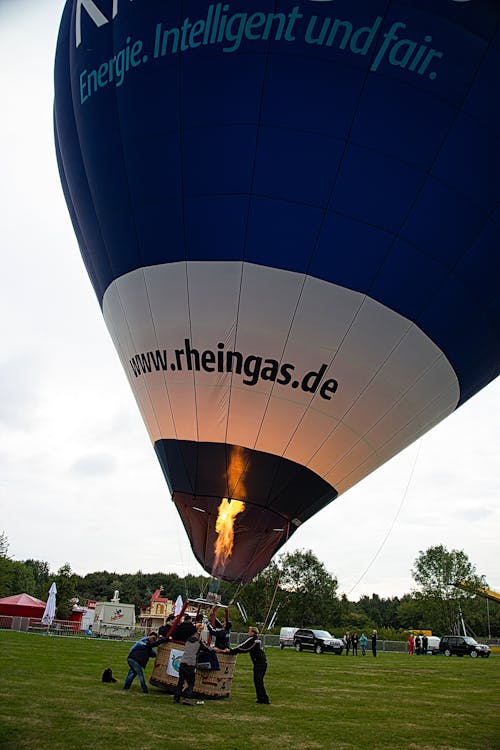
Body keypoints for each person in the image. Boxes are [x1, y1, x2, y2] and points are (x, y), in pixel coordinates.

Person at [173, 620, 215, 705]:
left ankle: (176, 698)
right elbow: (207, 649)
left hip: (183, 662)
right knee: (191, 683)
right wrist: (213, 648)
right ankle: (187, 698)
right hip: (190, 664)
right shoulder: (199, 642)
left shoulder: (188, 640)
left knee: (180, 682)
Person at [227, 626, 270, 704]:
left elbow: (244, 648)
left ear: (253, 632)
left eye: (249, 631)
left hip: (259, 663)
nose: (248, 633)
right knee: (258, 681)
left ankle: (263, 699)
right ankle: (261, 698)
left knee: (258, 681)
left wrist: (230, 651)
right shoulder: (257, 640)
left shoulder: (253, 640)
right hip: (262, 663)